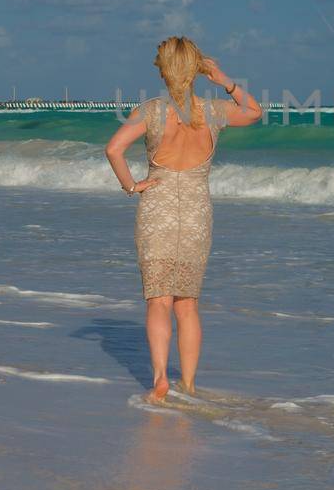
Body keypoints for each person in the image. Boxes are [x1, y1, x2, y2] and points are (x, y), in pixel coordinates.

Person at [104, 37, 262, 403]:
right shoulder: (213, 110)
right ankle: (188, 385)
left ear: (162, 70)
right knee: (187, 303)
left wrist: (132, 186)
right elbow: (254, 112)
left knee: (157, 299)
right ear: (196, 70)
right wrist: (222, 77)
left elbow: (113, 149)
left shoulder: (151, 111)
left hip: (157, 205)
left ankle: (160, 378)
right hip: (195, 210)